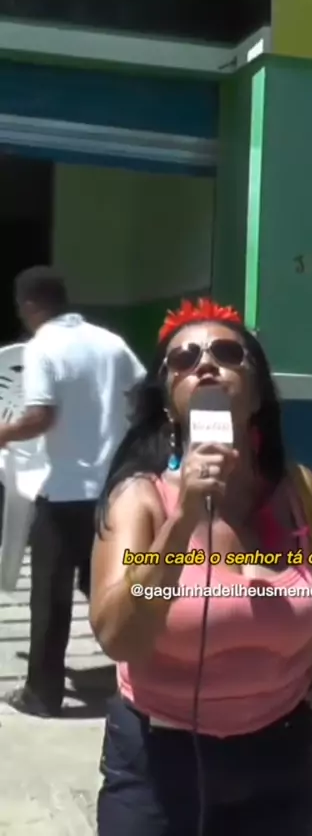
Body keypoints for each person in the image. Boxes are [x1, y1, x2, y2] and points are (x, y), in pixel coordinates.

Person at [90, 297, 312, 836]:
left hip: (282, 760)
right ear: (169, 403)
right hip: (159, 764)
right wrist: (184, 520)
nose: (205, 364)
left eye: (227, 352)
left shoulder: (299, 495)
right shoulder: (141, 501)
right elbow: (118, 636)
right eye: (183, 359)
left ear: (258, 393)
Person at [0, 265, 146, 717]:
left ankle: (42, 695)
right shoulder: (110, 342)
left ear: (29, 305)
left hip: (64, 493)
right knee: (107, 584)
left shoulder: (42, 348)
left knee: (50, 595)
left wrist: (3, 432)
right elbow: (142, 395)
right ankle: (143, 674)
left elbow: (40, 417)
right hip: (114, 491)